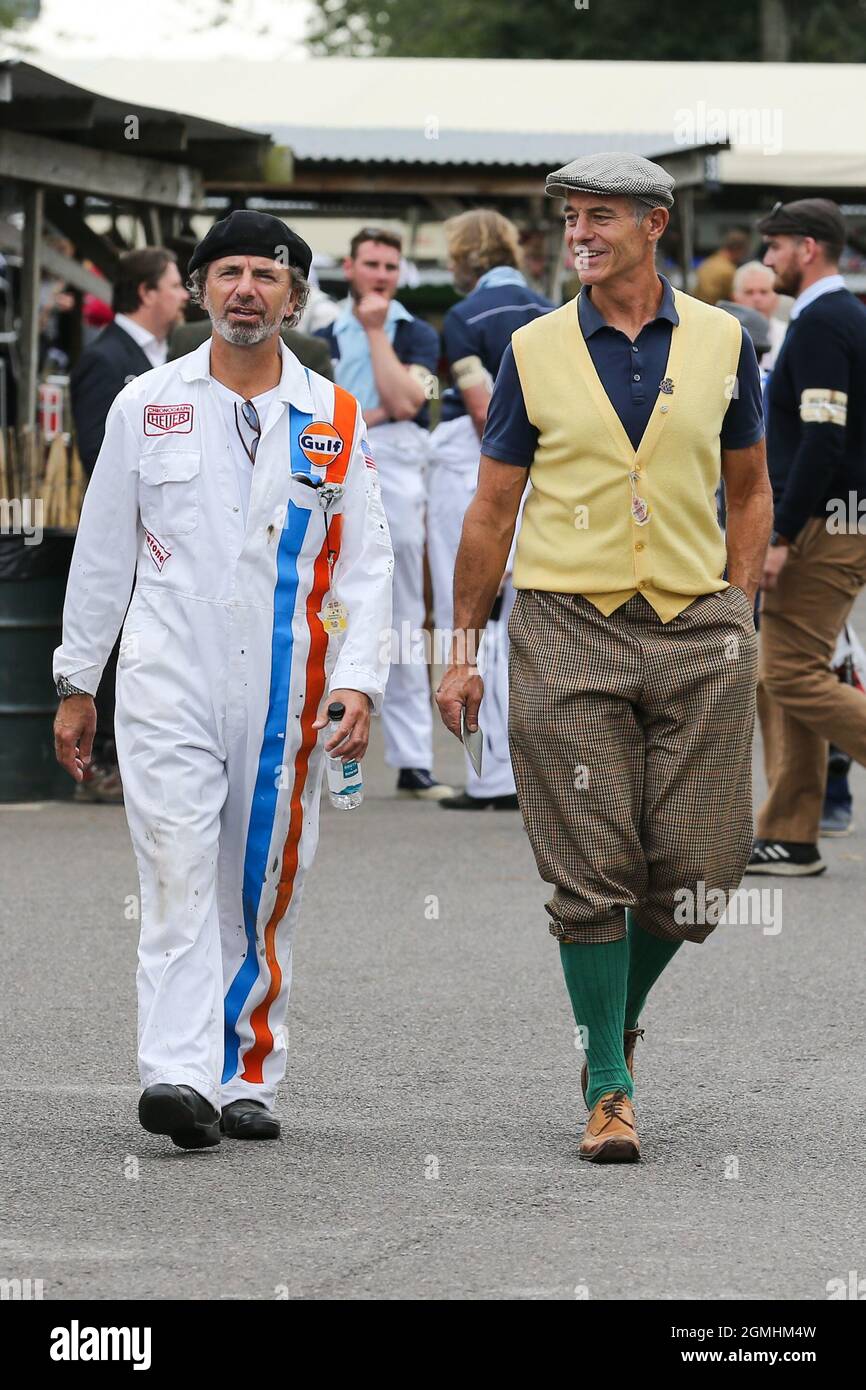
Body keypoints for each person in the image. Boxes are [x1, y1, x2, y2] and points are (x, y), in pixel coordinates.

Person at [436, 152, 769, 1163]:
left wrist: (740, 609)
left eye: (598, 217)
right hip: (562, 623)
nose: (577, 232)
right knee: (591, 869)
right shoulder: (533, 350)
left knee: (705, 872)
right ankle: (607, 1081)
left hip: (694, 624)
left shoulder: (724, 339)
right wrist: (459, 649)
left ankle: (610, 1015)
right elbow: (492, 505)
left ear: (652, 223)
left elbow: (748, 489)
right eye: (567, 219)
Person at [53, 211, 393, 1149]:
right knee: (173, 868)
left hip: (289, 680)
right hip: (169, 671)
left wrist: (359, 680)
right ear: (199, 289)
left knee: (260, 882)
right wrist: (79, 677)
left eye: (267, 275)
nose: (246, 289)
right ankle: (176, 1074)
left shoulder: (334, 413)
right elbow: (104, 548)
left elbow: (368, 560)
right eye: (228, 272)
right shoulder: (145, 402)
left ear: (295, 296)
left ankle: (248, 1072)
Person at [748, 198, 866, 877]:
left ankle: (792, 829)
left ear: (809, 248)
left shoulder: (823, 321)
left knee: (787, 672)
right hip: (836, 518)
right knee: (790, 673)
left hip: (826, 524)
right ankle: (791, 833)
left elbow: (824, 439)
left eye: (776, 248)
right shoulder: (833, 316)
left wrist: (783, 533)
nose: (767, 261)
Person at [317, 229, 455, 801]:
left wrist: (376, 333)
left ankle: (414, 758)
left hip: (393, 463)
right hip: (329, 463)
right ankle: (319, 748)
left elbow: (408, 401)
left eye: (391, 267)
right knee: (325, 604)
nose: (380, 275)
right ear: (350, 267)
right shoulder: (322, 335)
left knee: (403, 611)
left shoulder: (414, 331)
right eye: (371, 264)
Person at [429, 209, 551, 810]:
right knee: (518, 609)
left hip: (482, 465)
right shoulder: (549, 307)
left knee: (478, 615)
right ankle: (522, 769)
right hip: (545, 466)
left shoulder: (464, 316)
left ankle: (494, 773)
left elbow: (482, 407)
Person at [69, 248, 189, 803]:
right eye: (173, 285)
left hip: (167, 535)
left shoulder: (170, 359)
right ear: (145, 292)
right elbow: (101, 457)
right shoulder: (105, 358)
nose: (184, 295)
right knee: (118, 644)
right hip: (131, 533)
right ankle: (107, 763)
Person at [732, 261, 787, 372]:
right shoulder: (727, 336)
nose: (757, 299)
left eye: (764, 292)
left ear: (777, 298)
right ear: (735, 298)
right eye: (749, 292)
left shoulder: (787, 334)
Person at [694, 228, 751, 306]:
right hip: (714, 309)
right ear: (738, 250)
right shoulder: (728, 270)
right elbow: (735, 298)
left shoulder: (708, 262)